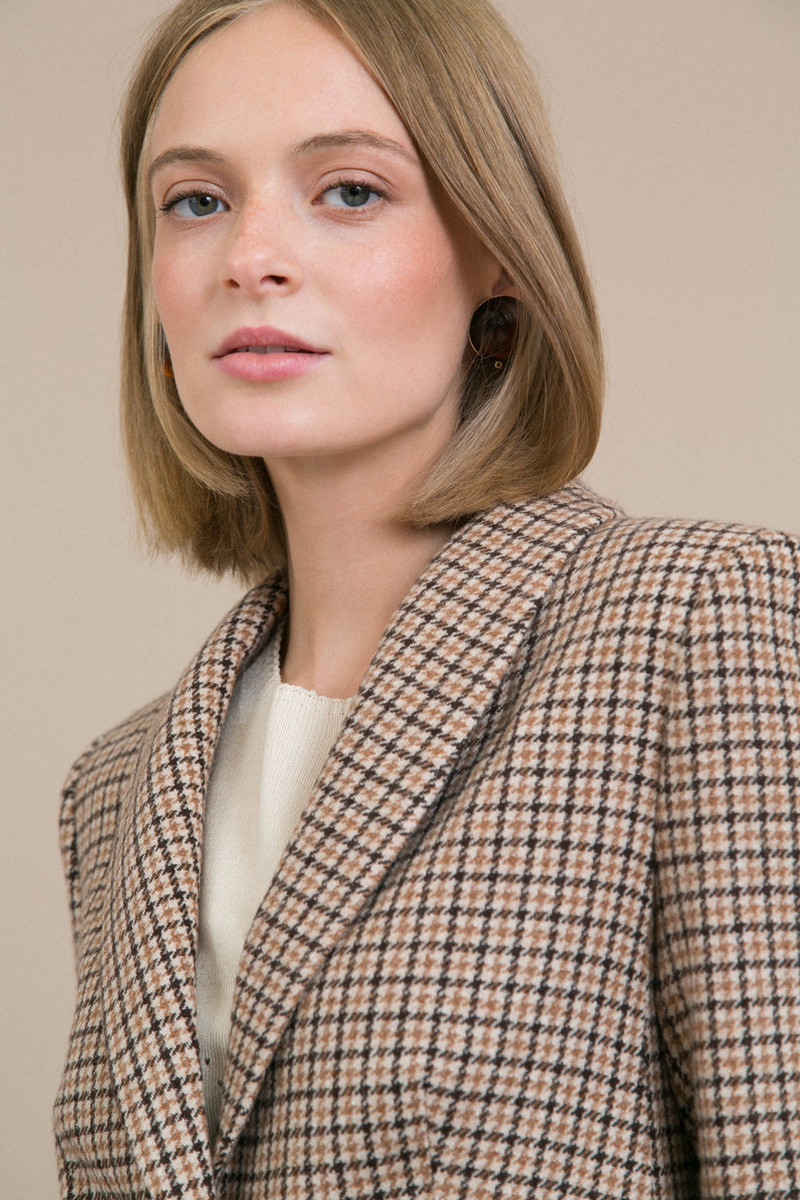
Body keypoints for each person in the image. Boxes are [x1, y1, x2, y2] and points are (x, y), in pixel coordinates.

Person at [52, 0, 800, 1196]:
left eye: (348, 191)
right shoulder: (114, 788)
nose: (249, 257)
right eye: (195, 201)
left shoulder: (699, 627)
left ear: (494, 246)